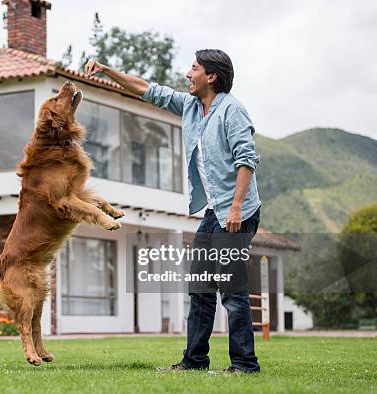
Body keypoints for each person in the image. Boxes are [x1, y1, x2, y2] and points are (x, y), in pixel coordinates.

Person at [85, 50, 262, 373]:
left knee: (232, 292)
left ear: (211, 76)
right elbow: (147, 89)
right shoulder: (192, 107)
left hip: (238, 210)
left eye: (193, 68)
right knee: (200, 289)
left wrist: (236, 207)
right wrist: (107, 70)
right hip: (214, 211)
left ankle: (245, 364)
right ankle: (195, 361)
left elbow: (246, 160)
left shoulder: (232, 111)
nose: (186, 74)